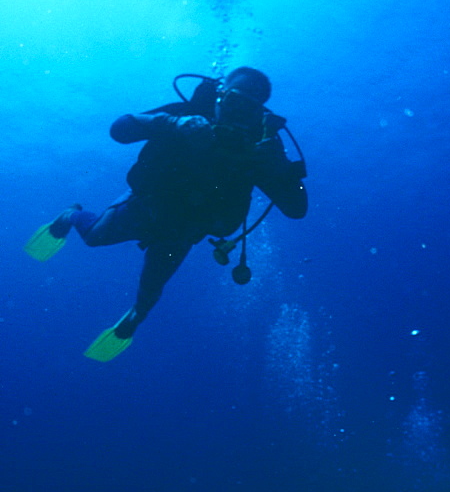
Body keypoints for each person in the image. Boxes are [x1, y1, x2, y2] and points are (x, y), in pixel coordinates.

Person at [24, 67, 308, 361]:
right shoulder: (187, 114)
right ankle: (71, 215)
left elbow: (297, 210)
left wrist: (279, 167)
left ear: (259, 113)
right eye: (235, 101)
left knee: (150, 291)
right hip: (143, 207)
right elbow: (119, 130)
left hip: (182, 232)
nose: (238, 114)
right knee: (94, 237)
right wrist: (174, 123)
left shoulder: (261, 148)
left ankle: (134, 319)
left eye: (248, 107)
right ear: (220, 96)